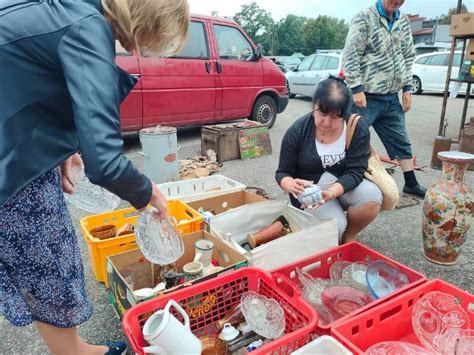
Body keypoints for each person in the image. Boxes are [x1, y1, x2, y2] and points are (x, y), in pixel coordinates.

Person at [0, 0, 189, 354]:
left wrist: (57, 150)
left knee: (39, 276)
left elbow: (22, 85)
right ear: (147, 18)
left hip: (14, 156)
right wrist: (150, 193)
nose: (145, 49)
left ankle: (76, 348)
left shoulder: (68, 8)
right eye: (156, 37)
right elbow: (104, 162)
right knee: (51, 270)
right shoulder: (87, 26)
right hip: (11, 180)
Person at [275, 77, 382, 243]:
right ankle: (336, 230)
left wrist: (331, 193)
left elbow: (355, 171)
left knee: (371, 197)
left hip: (342, 185)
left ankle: (350, 235)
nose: (326, 122)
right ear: (314, 107)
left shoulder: (356, 127)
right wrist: (289, 184)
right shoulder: (298, 131)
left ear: (345, 113)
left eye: (335, 117)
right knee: (335, 227)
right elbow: (282, 172)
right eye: (322, 114)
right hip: (310, 194)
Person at [343, 0, 426, 198]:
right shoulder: (365, 17)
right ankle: (340, 181)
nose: (397, 1)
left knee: (401, 140)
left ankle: (411, 183)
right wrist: (356, 88)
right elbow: (351, 53)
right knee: (350, 141)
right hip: (365, 96)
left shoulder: (403, 21)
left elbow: (407, 56)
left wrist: (407, 88)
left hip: (391, 98)